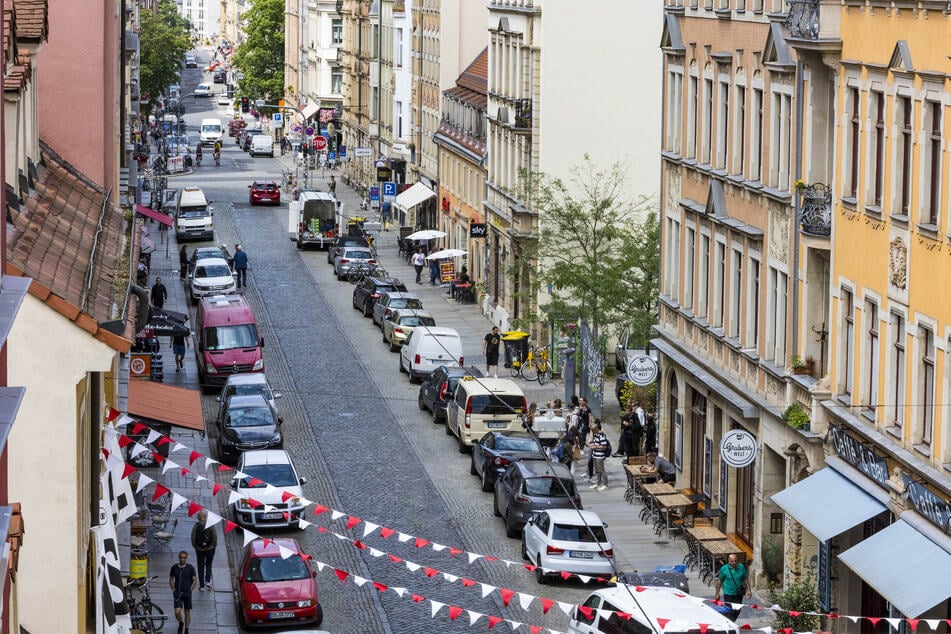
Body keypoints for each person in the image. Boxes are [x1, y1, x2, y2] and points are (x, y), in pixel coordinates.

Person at [714, 554, 751, 621]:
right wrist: (717, 593)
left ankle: (731, 623)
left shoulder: (741, 567)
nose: (734, 563)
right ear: (729, 561)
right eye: (732, 561)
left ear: (738, 561)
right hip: (728, 593)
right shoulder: (724, 569)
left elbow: (745, 578)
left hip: (738, 593)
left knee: (737, 610)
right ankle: (730, 625)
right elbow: (720, 581)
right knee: (729, 611)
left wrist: (749, 590)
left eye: (735, 561)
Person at [169, 550, 198, 634]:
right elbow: (171, 579)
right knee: (177, 612)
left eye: (184, 558)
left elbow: (194, 580)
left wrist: (190, 590)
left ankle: (186, 629)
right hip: (178, 592)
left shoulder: (190, 568)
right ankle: (180, 622)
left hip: (187, 593)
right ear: (179, 558)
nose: (183, 559)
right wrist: (174, 590)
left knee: (187, 611)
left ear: (186, 558)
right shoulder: (174, 567)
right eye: (181, 558)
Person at [191, 510, 217, 591]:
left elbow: (193, 537)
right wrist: (213, 545)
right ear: (205, 517)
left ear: (200, 517)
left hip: (199, 550)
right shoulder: (210, 525)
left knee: (200, 566)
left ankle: (202, 585)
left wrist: (196, 546)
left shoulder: (196, 526)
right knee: (209, 564)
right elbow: (215, 536)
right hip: (210, 549)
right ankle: (208, 581)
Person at [587, 420, 609, 491]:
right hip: (595, 455)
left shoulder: (601, 435)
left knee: (602, 470)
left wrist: (595, 447)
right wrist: (591, 445)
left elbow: (604, 446)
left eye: (593, 430)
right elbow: (596, 444)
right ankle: (598, 483)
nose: (592, 431)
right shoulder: (596, 435)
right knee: (597, 470)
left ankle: (605, 485)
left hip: (600, 456)